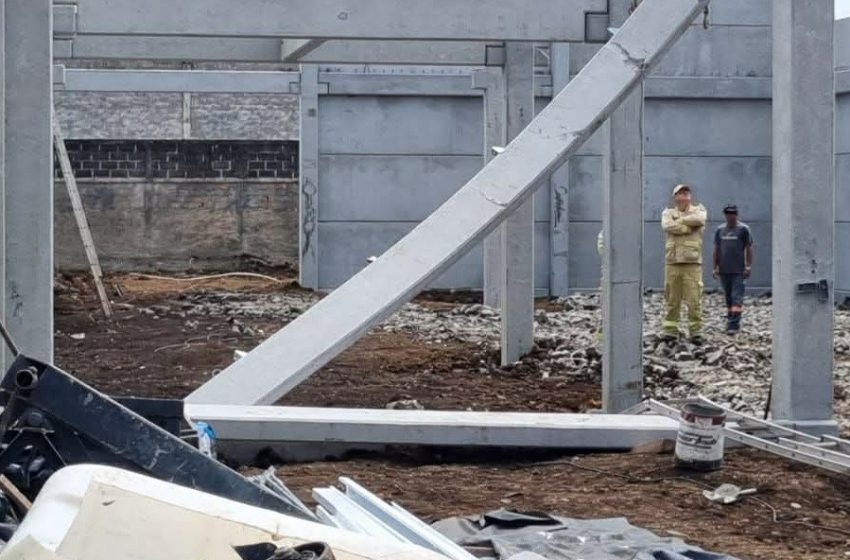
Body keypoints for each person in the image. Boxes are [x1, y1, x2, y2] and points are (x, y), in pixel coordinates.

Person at [660, 184, 707, 344]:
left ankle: (696, 332)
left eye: (686, 193)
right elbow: (667, 225)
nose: (684, 196)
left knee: (694, 299)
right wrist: (687, 228)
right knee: (672, 298)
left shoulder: (699, 210)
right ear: (675, 197)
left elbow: (699, 220)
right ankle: (670, 331)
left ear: (690, 196)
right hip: (672, 262)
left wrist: (679, 220)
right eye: (680, 193)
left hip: (692, 263)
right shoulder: (668, 213)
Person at [712, 204, 753, 335]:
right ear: (725, 215)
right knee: (728, 297)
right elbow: (716, 250)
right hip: (724, 270)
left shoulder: (743, 229)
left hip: (738, 271)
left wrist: (748, 266)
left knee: (736, 297)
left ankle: (734, 324)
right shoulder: (720, 230)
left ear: (737, 214)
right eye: (728, 213)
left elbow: (749, 248)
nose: (730, 216)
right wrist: (715, 267)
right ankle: (730, 319)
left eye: (733, 213)